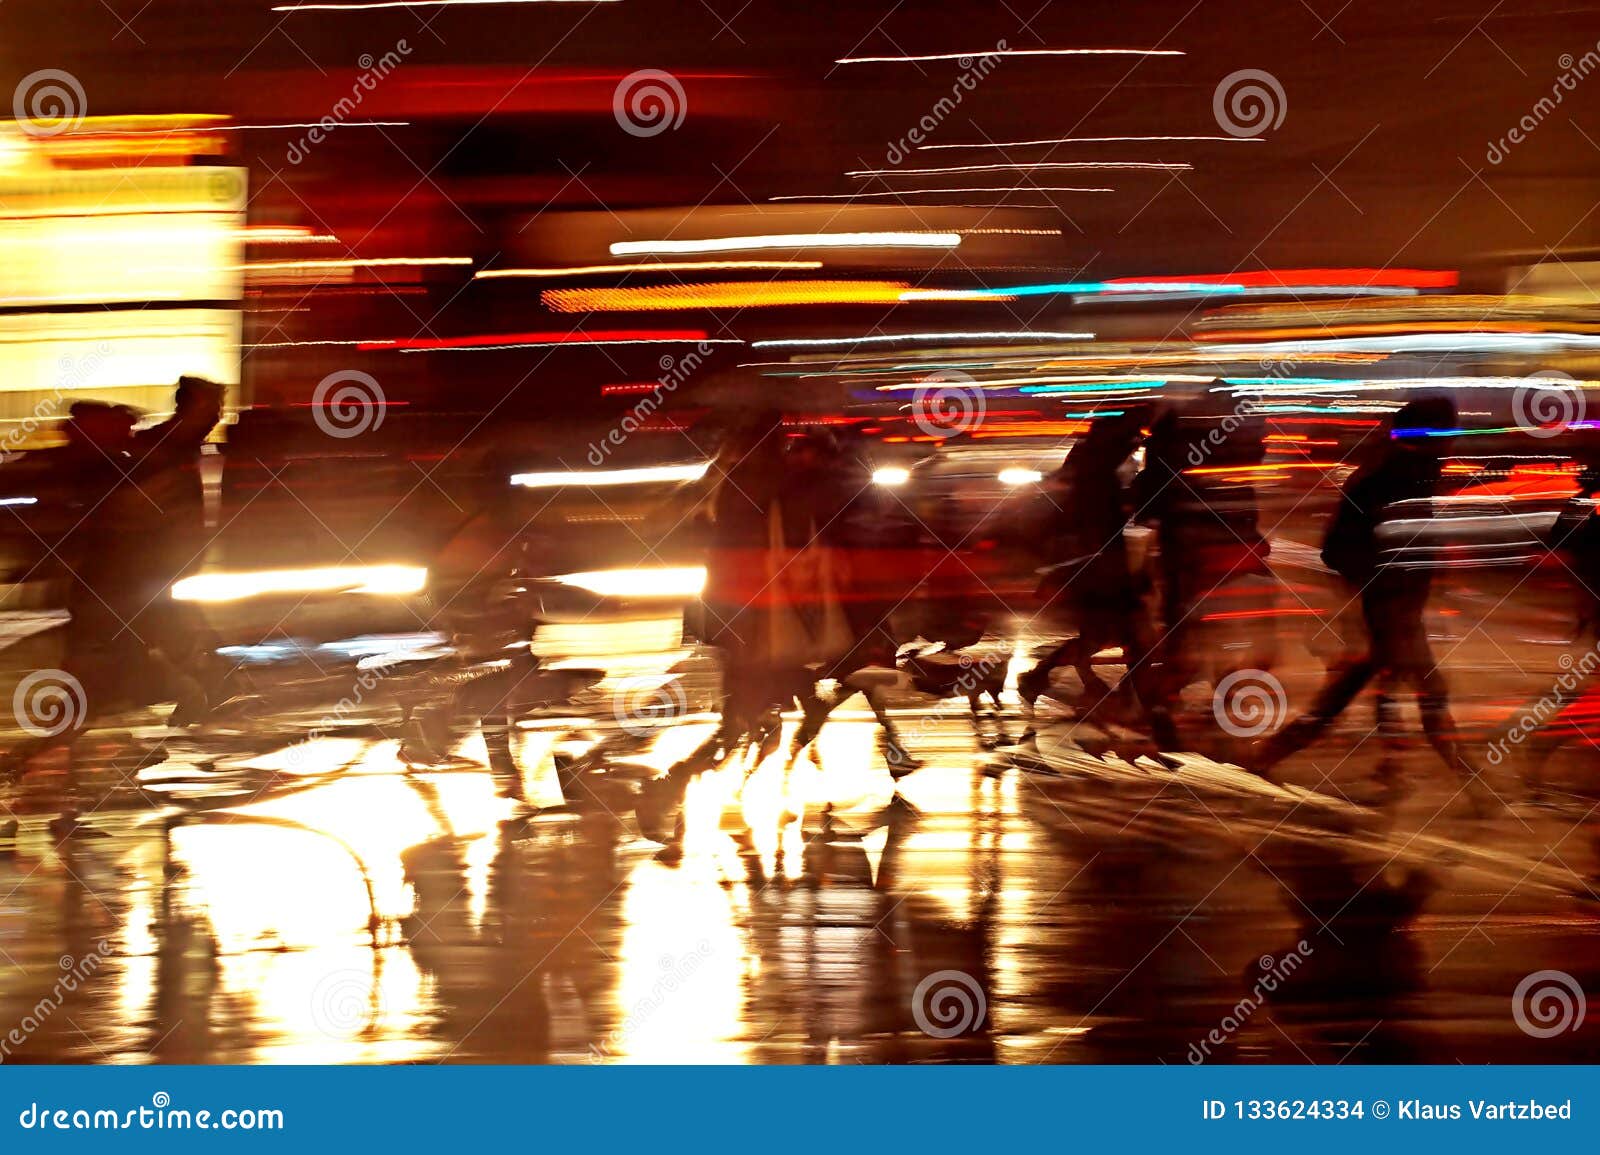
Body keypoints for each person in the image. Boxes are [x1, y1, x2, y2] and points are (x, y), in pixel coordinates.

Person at [1252, 396, 1495, 812]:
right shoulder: (1389, 477)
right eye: (1447, 430)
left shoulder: (1409, 473)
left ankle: (1266, 757)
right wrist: (1382, 581)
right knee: (1427, 697)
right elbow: (1337, 551)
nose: (1453, 441)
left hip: (1397, 611)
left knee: (1350, 698)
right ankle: (1477, 790)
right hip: (1387, 612)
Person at [1017, 410, 1169, 741]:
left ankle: (1042, 679)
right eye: (1131, 441)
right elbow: (1095, 526)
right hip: (1096, 570)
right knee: (1133, 637)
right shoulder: (1095, 474)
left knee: (1102, 635)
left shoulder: (1092, 466)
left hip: (1094, 567)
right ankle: (1132, 704)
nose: (1134, 447)